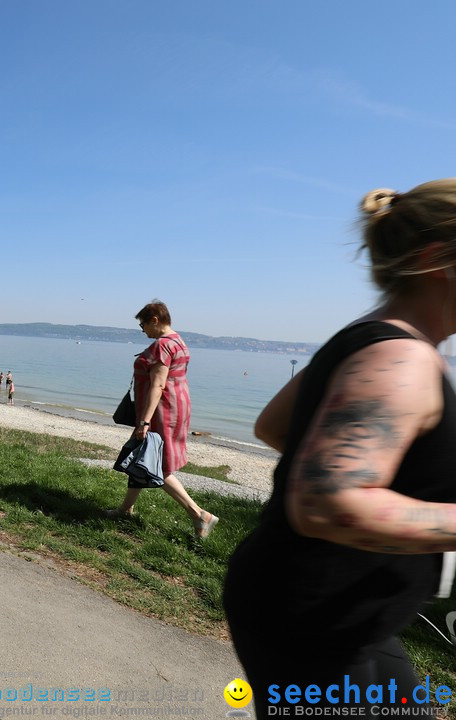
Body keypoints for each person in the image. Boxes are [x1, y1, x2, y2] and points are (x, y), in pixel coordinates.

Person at [223, 181, 456, 716]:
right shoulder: (403, 360)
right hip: (314, 622)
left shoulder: (373, 337)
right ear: (438, 258)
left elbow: (275, 425)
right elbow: (327, 502)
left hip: (350, 614)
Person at [104, 301, 218, 539]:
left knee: (156, 464)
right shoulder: (179, 341)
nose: (143, 329)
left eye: (143, 324)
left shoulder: (162, 346)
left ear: (154, 319)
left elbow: (158, 384)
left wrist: (144, 422)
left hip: (161, 410)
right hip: (177, 405)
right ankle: (126, 509)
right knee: (140, 455)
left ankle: (198, 514)